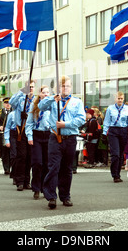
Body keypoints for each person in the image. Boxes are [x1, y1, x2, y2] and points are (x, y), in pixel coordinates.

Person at [38, 75, 86, 209]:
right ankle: (51, 196)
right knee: (53, 167)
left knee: (67, 168)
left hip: (70, 138)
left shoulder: (77, 102)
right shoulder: (53, 100)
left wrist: (66, 124)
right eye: (63, 86)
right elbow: (41, 106)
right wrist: (52, 98)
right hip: (55, 138)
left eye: (68, 86)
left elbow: (81, 119)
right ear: (58, 88)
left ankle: (65, 196)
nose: (66, 88)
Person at [103, 92, 128, 183]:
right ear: (115, 99)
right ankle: (114, 174)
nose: (120, 100)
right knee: (115, 154)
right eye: (118, 98)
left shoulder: (127, 109)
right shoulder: (110, 109)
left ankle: (118, 173)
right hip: (113, 131)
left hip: (123, 130)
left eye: (121, 98)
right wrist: (104, 133)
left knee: (121, 153)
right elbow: (107, 121)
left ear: (123, 99)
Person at [9, 80, 36, 191]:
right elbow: (11, 102)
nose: (31, 89)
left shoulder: (36, 100)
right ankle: (19, 181)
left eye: (32, 87)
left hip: (32, 130)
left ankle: (27, 181)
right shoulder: (21, 98)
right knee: (22, 156)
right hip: (21, 130)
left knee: (30, 157)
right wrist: (22, 92)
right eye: (29, 87)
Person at [26, 85, 51, 199]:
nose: (46, 94)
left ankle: (44, 187)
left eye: (48, 92)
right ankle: (35, 187)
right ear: (40, 94)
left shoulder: (52, 105)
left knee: (47, 164)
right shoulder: (34, 106)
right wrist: (29, 136)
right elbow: (29, 123)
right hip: (36, 135)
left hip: (48, 135)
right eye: (44, 92)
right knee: (37, 163)